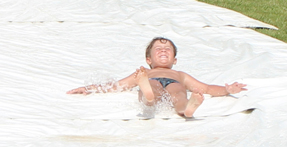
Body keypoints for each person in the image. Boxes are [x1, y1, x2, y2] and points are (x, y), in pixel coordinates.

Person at [67, 37, 247, 118]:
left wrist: (226, 90)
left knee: (178, 94)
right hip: (149, 80)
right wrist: (90, 88)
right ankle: (149, 96)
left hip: (174, 83)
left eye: (167, 49)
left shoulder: (180, 75)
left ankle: (187, 108)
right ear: (148, 59)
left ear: (174, 60)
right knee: (152, 88)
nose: (163, 50)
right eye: (158, 49)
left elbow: (206, 88)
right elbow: (117, 85)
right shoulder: (144, 72)